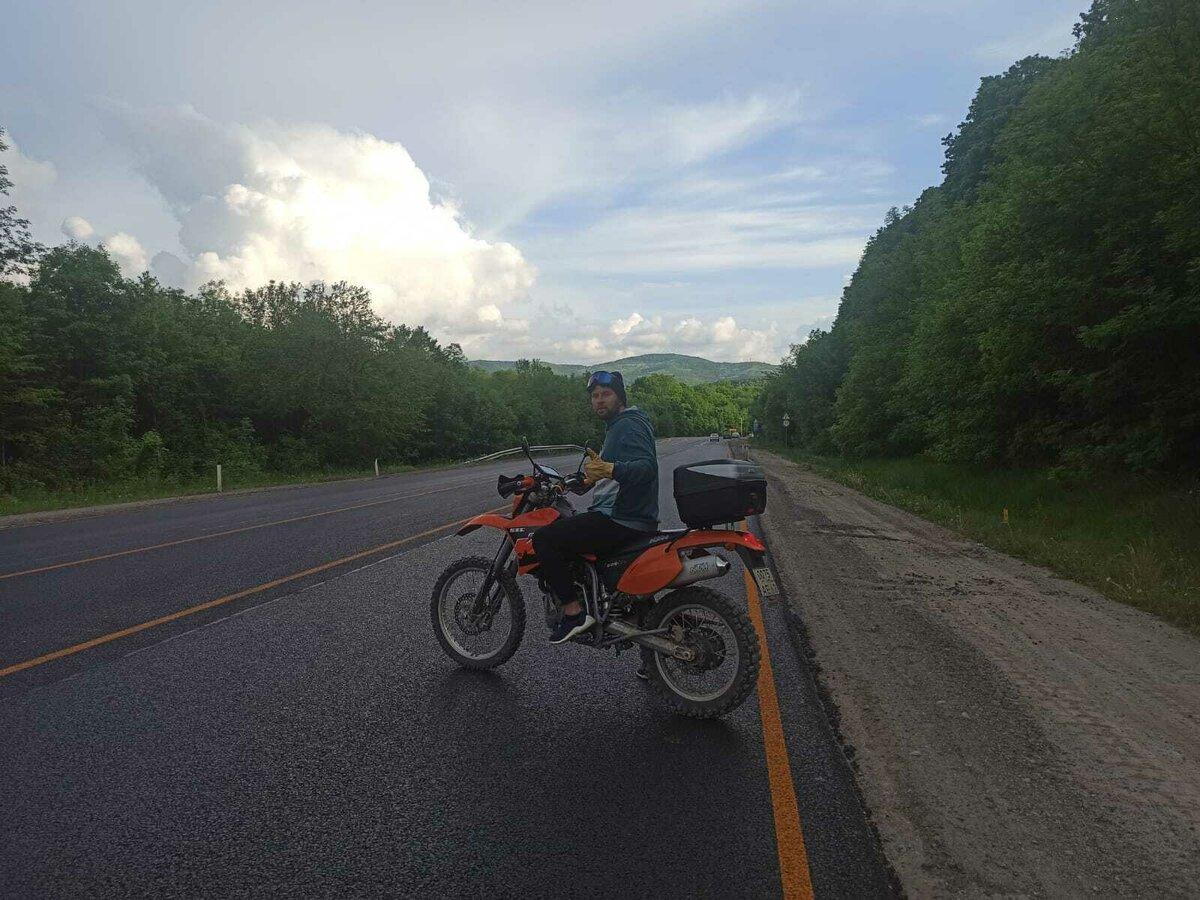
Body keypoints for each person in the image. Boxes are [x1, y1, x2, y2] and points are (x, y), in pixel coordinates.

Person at [532, 370, 659, 644]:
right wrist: (585, 481)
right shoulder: (618, 426)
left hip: (621, 517)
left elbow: (646, 469)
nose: (600, 400)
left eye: (606, 394)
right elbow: (613, 472)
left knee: (544, 539)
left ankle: (574, 614)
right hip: (628, 515)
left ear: (620, 397)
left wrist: (610, 469)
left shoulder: (628, 424)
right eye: (595, 396)